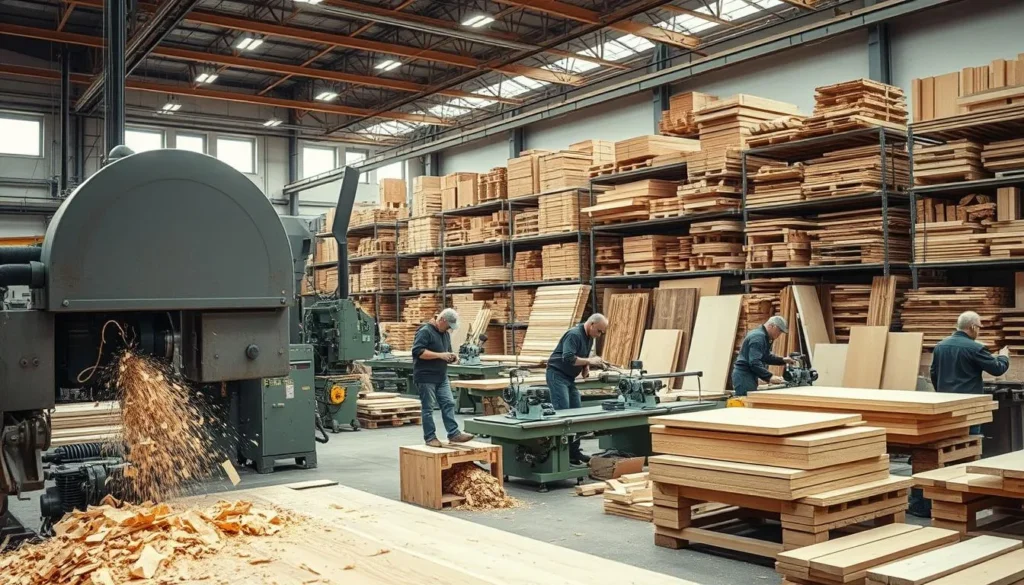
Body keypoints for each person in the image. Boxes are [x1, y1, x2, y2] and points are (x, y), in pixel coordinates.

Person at [910, 311, 1010, 518]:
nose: (979, 331)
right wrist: (1004, 356)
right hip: (969, 410)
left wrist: (944, 394)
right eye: (979, 327)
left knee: (941, 451)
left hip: (946, 409)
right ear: (972, 327)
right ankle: (960, 500)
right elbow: (998, 369)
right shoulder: (976, 348)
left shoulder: (940, 346)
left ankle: (931, 500)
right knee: (965, 452)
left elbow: (934, 374)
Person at [546, 313, 608, 465]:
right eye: (599, 331)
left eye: (602, 332)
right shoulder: (574, 334)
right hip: (557, 375)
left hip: (569, 378)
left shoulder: (589, 337)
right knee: (564, 414)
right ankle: (561, 455)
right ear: (591, 324)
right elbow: (567, 357)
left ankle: (573, 452)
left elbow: (582, 355)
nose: (599, 335)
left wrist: (586, 367)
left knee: (577, 413)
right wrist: (589, 360)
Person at [411, 308, 474, 447]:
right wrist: (440, 355)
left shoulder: (444, 333)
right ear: (443, 320)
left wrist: (451, 357)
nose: (450, 329)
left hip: (441, 376)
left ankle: (454, 434)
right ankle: (430, 438)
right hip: (426, 377)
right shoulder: (425, 331)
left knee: (449, 403)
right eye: (449, 326)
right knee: (428, 408)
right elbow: (418, 352)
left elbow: (446, 351)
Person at [731, 316, 797, 397]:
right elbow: (754, 362)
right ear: (772, 326)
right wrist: (770, 377)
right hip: (744, 375)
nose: (779, 334)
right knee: (746, 403)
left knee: (750, 402)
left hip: (749, 374)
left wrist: (783, 360)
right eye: (779, 331)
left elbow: (765, 357)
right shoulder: (758, 337)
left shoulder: (764, 337)